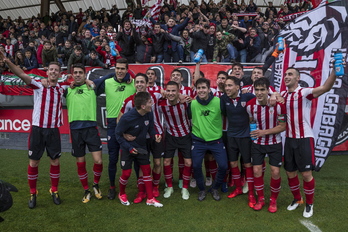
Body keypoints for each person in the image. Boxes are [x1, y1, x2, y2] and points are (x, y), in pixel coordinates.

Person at [1, 52, 66, 209]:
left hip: (53, 130)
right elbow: (22, 74)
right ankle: (33, 192)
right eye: (51, 70)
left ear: (59, 73)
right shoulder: (38, 84)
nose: (53, 72)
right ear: (47, 71)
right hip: (38, 130)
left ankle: (54, 190)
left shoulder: (62, 88)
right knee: (34, 162)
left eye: (56, 70)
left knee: (55, 161)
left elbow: (79, 80)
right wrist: (8, 61)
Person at [278, 67, 338, 218]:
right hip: (290, 139)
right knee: (290, 173)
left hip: (304, 139)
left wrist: (335, 71)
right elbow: (267, 97)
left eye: (290, 74)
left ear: (297, 78)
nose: (286, 76)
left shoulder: (303, 92)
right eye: (285, 74)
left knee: (306, 174)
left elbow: (325, 87)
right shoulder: (283, 95)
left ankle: (309, 204)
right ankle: (297, 199)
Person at [93, 58, 136, 200]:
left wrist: (131, 76)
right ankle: (112, 187)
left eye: (123, 69)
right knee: (113, 158)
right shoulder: (107, 82)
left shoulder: (133, 83)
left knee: (134, 156)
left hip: (130, 124)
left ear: (127, 69)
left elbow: (142, 81)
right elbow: (93, 86)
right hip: (112, 124)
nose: (120, 71)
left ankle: (139, 184)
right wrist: (110, 75)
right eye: (117, 68)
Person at [118, 73, 164, 203]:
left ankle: (154, 187)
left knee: (156, 163)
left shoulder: (155, 95)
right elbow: (120, 118)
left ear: (147, 83)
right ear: (134, 84)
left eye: (141, 82)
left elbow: (169, 94)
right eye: (137, 82)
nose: (139, 84)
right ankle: (141, 192)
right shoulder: (129, 100)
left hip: (154, 135)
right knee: (141, 167)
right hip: (138, 139)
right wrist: (124, 134)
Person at [64, 63, 103, 203]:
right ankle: (86, 190)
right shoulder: (67, 90)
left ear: (85, 74)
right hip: (75, 130)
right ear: (72, 75)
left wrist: (89, 81)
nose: (78, 74)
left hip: (91, 129)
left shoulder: (92, 87)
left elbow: (110, 76)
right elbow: (52, 82)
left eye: (81, 72)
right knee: (81, 162)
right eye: (76, 72)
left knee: (98, 160)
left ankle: (96, 185)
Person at [246, 77, 286, 212]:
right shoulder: (250, 105)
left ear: (268, 90)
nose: (259, 92)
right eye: (257, 89)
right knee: (256, 171)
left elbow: (282, 127)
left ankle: (273, 201)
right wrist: (254, 134)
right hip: (258, 143)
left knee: (275, 172)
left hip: (275, 142)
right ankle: (261, 199)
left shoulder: (278, 105)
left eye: (262, 89)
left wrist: (264, 132)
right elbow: (252, 121)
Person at [188, 78, 228, 201]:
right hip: (198, 141)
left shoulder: (218, 101)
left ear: (209, 89)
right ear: (196, 90)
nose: (201, 90)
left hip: (216, 140)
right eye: (199, 88)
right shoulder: (192, 104)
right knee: (196, 166)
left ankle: (215, 188)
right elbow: (189, 118)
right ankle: (201, 189)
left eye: (203, 87)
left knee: (223, 166)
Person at [220, 76, 256, 208]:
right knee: (233, 163)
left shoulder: (248, 97)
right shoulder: (224, 99)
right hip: (231, 136)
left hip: (245, 136)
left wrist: (275, 95)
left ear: (237, 86)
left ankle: (251, 193)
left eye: (230, 85)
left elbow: (262, 99)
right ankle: (238, 188)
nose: (227, 88)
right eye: (225, 86)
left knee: (247, 164)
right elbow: (223, 113)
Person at [159, 81, 192, 200]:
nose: (171, 93)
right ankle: (169, 187)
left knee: (188, 163)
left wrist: (187, 98)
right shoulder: (161, 103)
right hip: (170, 136)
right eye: (168, 90)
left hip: (185, 135)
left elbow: (196, 101)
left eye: (174, 91)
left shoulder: (185, 102)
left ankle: (185, 188)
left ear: (179, 91)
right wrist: (160, 91)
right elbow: (150, 92)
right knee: (167, 162)